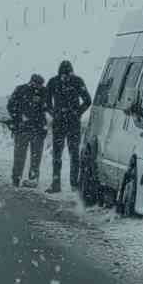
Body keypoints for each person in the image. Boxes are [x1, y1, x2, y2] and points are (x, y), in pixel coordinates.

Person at [45, 59, 92, 193]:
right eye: (64, 75)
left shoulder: (77, 81)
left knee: (73, 154)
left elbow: (88, 100)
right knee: (58, 154)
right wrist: (55, 113)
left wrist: (77, 113)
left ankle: (73, 184)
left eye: (68, 74)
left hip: (72, 123)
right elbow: (47, 102)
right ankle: (57, 184)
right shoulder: (53, 82)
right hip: (61, 123)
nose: (66, 77)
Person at [6, 74, 48, 187]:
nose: (39, 87)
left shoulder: (44, 91)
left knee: (36, 157)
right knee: (20, 156)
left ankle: (32, 180)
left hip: (38, 130)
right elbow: (10, 106)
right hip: (23, 129)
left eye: (40, 85)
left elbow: (48, 107)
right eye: (37, 84)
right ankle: (16, 178)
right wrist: (19, 118)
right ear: (31, 82)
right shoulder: (20, 89)